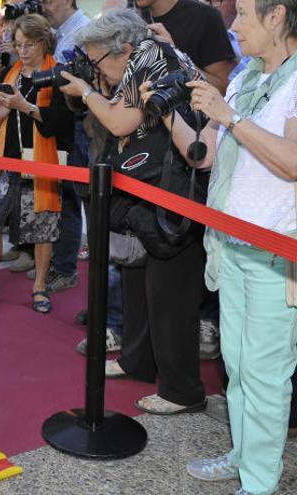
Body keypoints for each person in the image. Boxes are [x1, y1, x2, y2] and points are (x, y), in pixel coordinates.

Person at [147, 0, 297, 490]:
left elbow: (293, 163)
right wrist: (168, 110)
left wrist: (230, 118)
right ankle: (242, 455)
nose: (233, 26)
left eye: (245, 16)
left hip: (276, 250)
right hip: (229, 242)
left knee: (266, 373)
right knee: (235, 365)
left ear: (278, 16)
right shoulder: (246, 78)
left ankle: (259, 482)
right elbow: (205, 155)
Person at [59, 9, 207, 414]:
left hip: (175, 189)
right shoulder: (142, 55)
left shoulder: (151, 57)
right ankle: (138, 360)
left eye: (99, 61)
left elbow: (122, 122)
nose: (97, 71)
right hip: (151, 185)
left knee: (168, 292)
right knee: (138, 280)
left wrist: (86, 93)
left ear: (123, 48)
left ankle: (183, 391)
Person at [0, 14, 73, 310]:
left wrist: (24, 107)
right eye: (18, 44)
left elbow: (60, 125)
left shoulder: (59, 74)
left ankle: (40, 288)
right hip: (6, 160)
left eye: (29, 44)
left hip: (40, 161)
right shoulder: (11, 73)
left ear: (44, 42)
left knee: (43, 225)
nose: (23, 50)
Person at [40, 0, 91, 294]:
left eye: (48, 0)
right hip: (62, 124)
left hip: (82, 126)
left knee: (80, 201)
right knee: (66, 200)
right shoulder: (57, 33)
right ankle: (64, 268)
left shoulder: (84, 30)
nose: (44, 6)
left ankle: (71, 272)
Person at [136, 0, 236, 94]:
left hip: (193, 109)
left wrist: (177, 56)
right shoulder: (130, 17)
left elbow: (222, 89)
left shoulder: (204, 17)